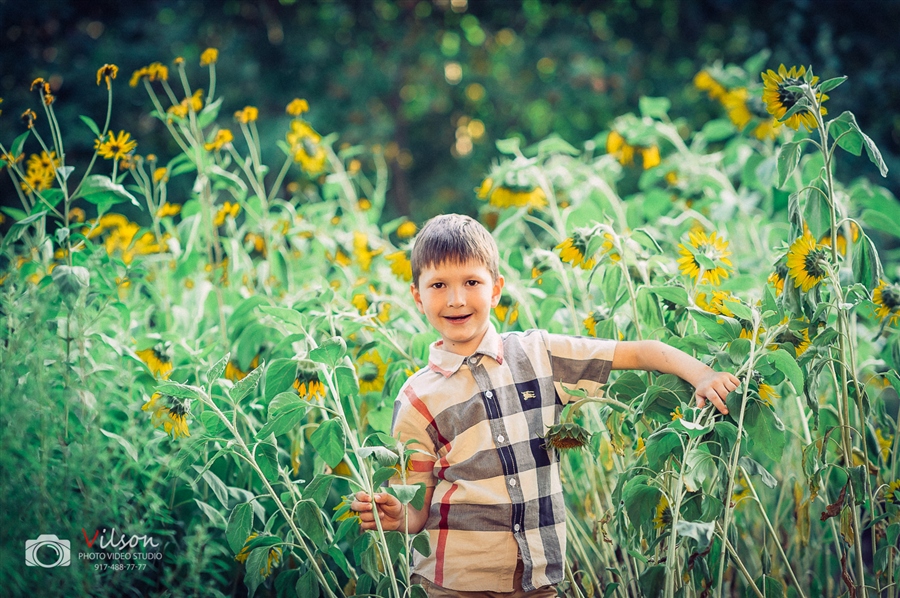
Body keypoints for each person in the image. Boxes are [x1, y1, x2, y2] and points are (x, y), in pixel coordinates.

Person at [351, 214, 738, 596]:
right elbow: (417, 504)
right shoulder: (418, 398)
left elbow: (637, 353)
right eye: (438, 284)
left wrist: (702, 374)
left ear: (496, 288)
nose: (456, 299)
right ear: (418, 295)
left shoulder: (539, 353)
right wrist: (400, 514)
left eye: (471, 282)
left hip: (538, 578)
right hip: (454, 583)